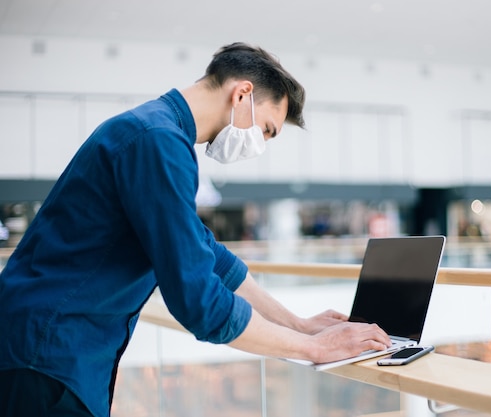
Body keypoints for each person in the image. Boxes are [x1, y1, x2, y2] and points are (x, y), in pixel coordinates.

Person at [0, 42, 391, 417]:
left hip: (45, 352)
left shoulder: (155, 133)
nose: (261, 144)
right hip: (46, 355)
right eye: (268, 130)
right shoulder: (158, 142)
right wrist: (313, 348)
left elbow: (211, 256)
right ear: (242, 94)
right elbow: (200, 302)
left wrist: (299, 324)